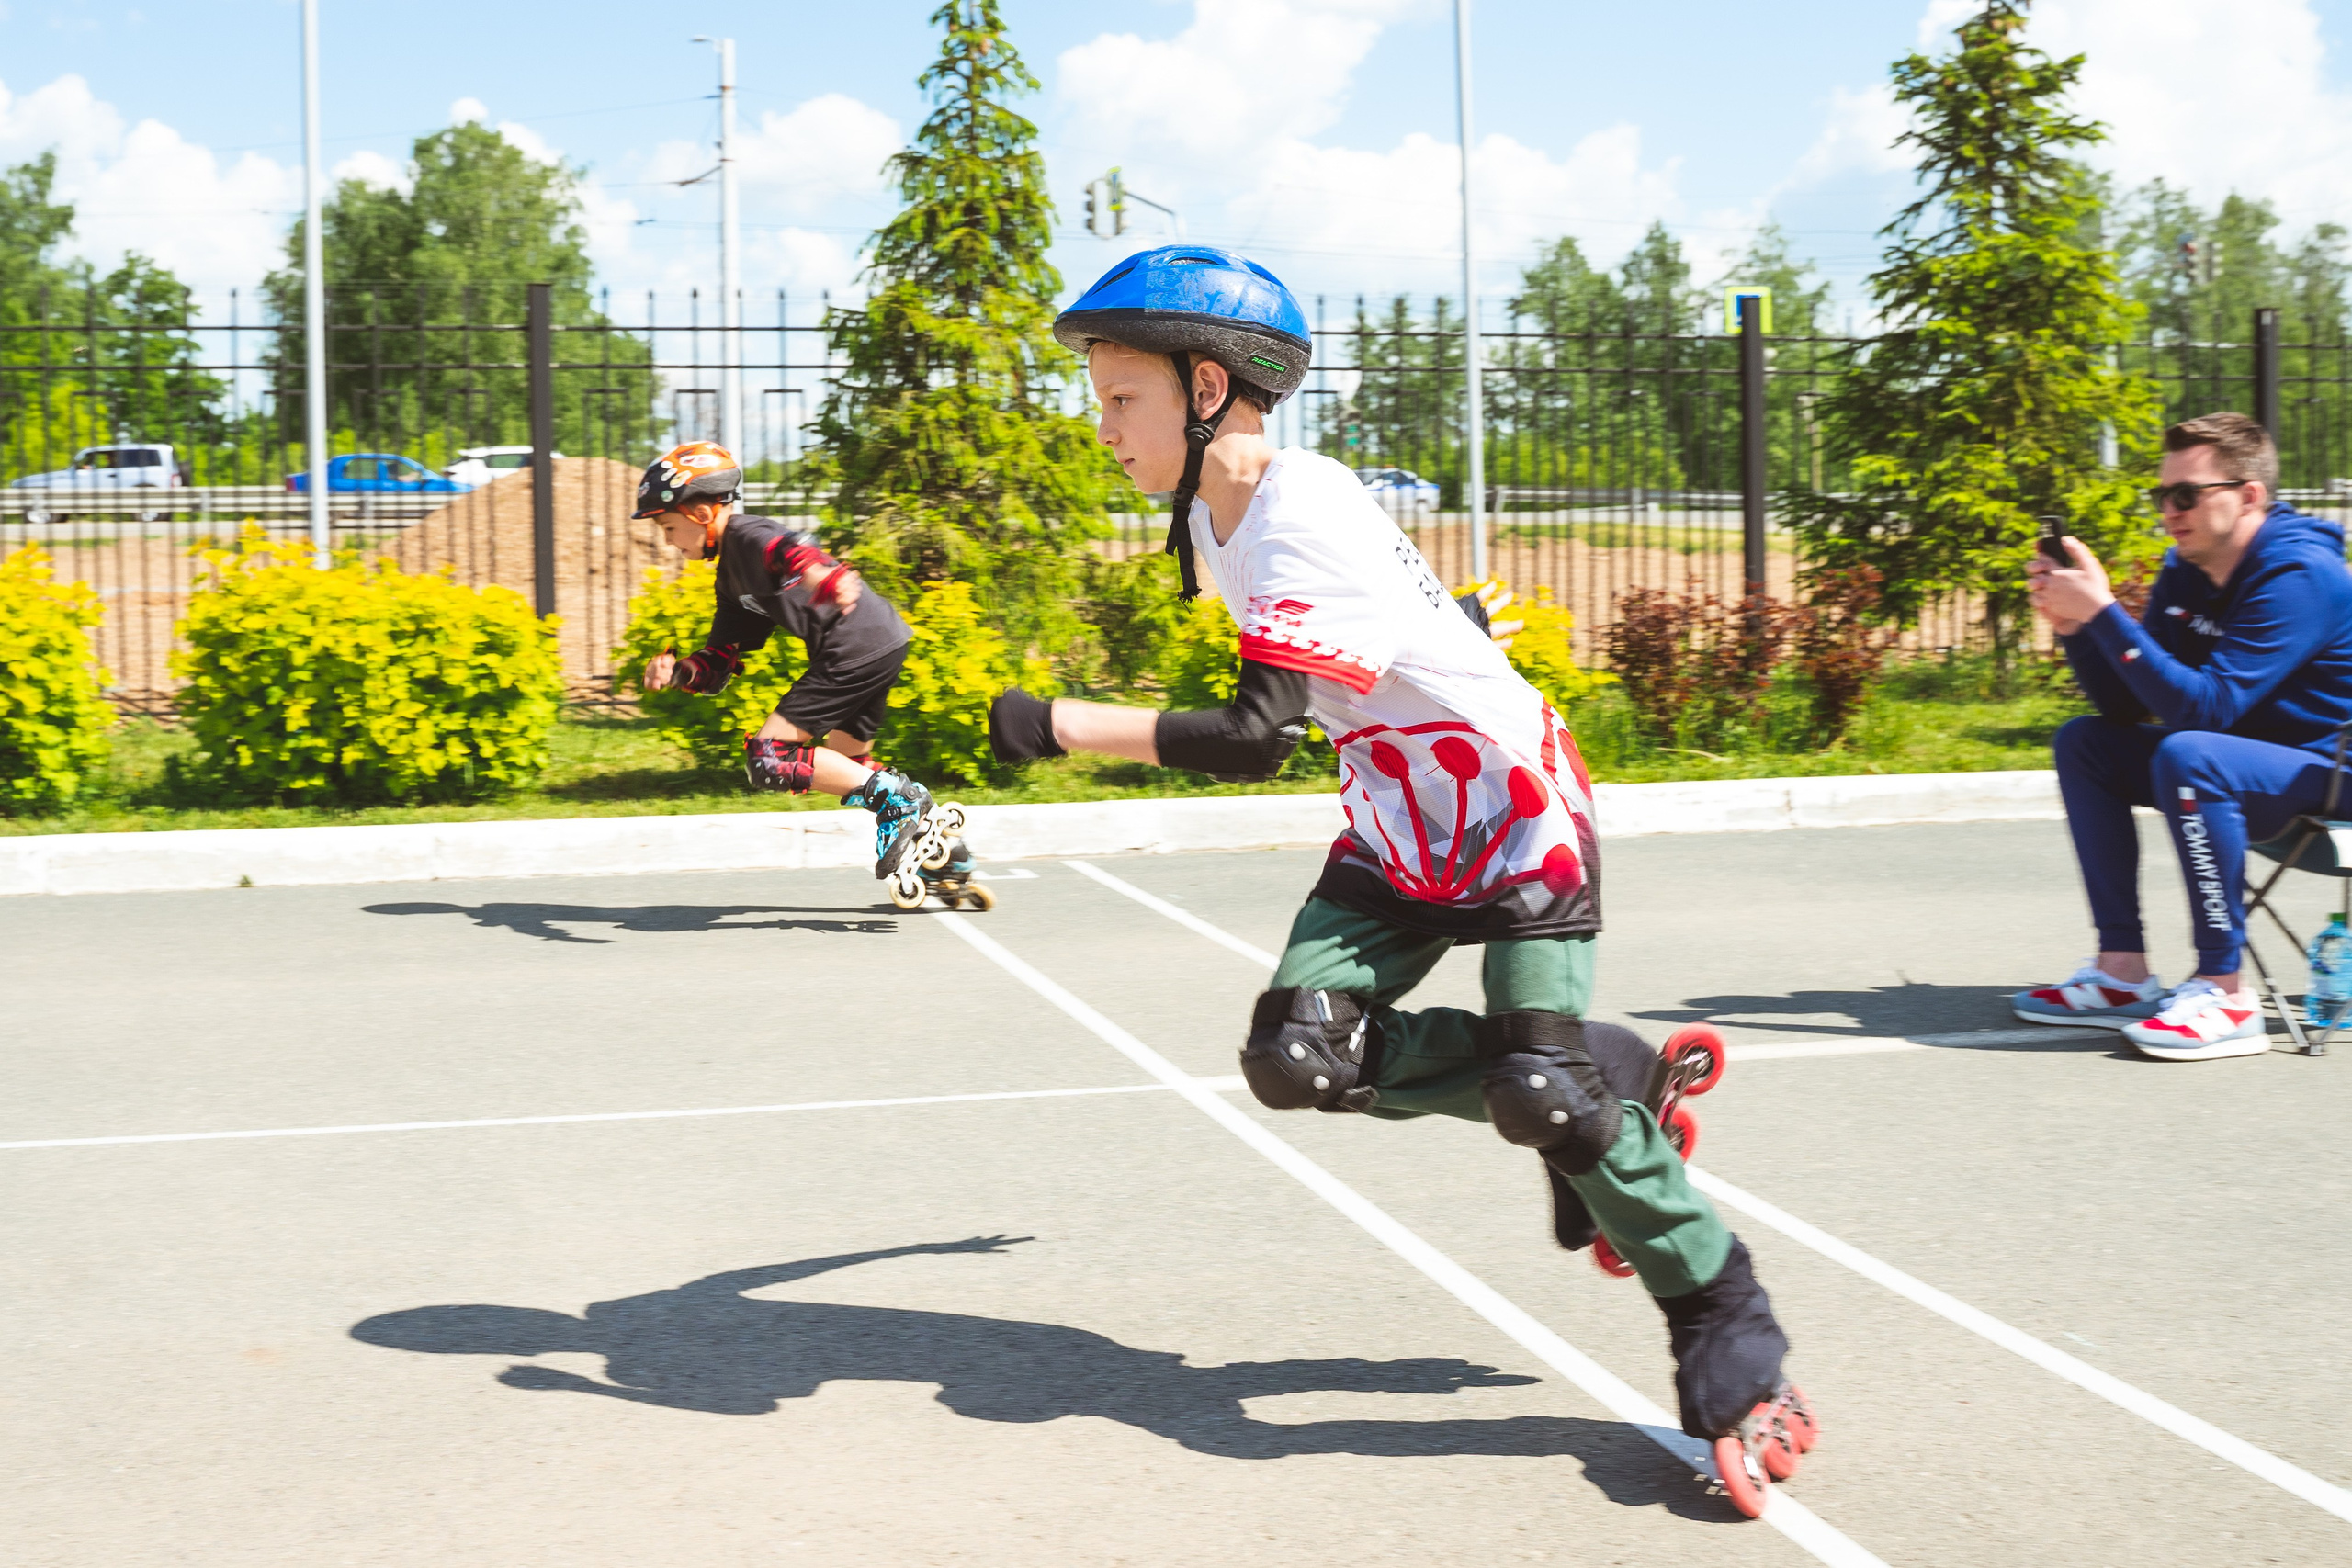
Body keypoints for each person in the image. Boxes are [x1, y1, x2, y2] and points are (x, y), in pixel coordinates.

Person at [988, 243, 1813, 1504]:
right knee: (1297, 1056)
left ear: (1208, 385)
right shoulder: (1219, 520)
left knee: (1546, 1092)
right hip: (1399, 823)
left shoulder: (1298, 503)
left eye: (1118, 399)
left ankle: (1732, 1335)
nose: (1101, 428)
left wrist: (1054, 722)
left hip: (1512, 808)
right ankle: (1609, 1066)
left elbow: (1258, 731)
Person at [2019, 412, 2352, 1059]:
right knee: (2085, 742)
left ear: (2248, 495)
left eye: (2186, 495)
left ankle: (2224, 990)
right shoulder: (2188, 571)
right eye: (2161, 495)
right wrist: (2077, 627)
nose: (2169, 510)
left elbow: (2206, 711)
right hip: (2246, 764)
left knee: (2191, 754)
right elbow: (2124, 705)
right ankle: (2121, 972)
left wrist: (2106, 613)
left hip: (2332, 773)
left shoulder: (2301, 574)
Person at [633, 441, 955, 883]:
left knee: (770, 759)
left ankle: (904, 802)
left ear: (702, 514)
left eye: (668, 528)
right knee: (848, 763)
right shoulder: (730, 581)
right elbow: (720, 661)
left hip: (853, 643)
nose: (668, 541)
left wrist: (823, 574)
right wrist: (679, 671)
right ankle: (945, 856)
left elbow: (789, 548)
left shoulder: (746, 536)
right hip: (875, 641)